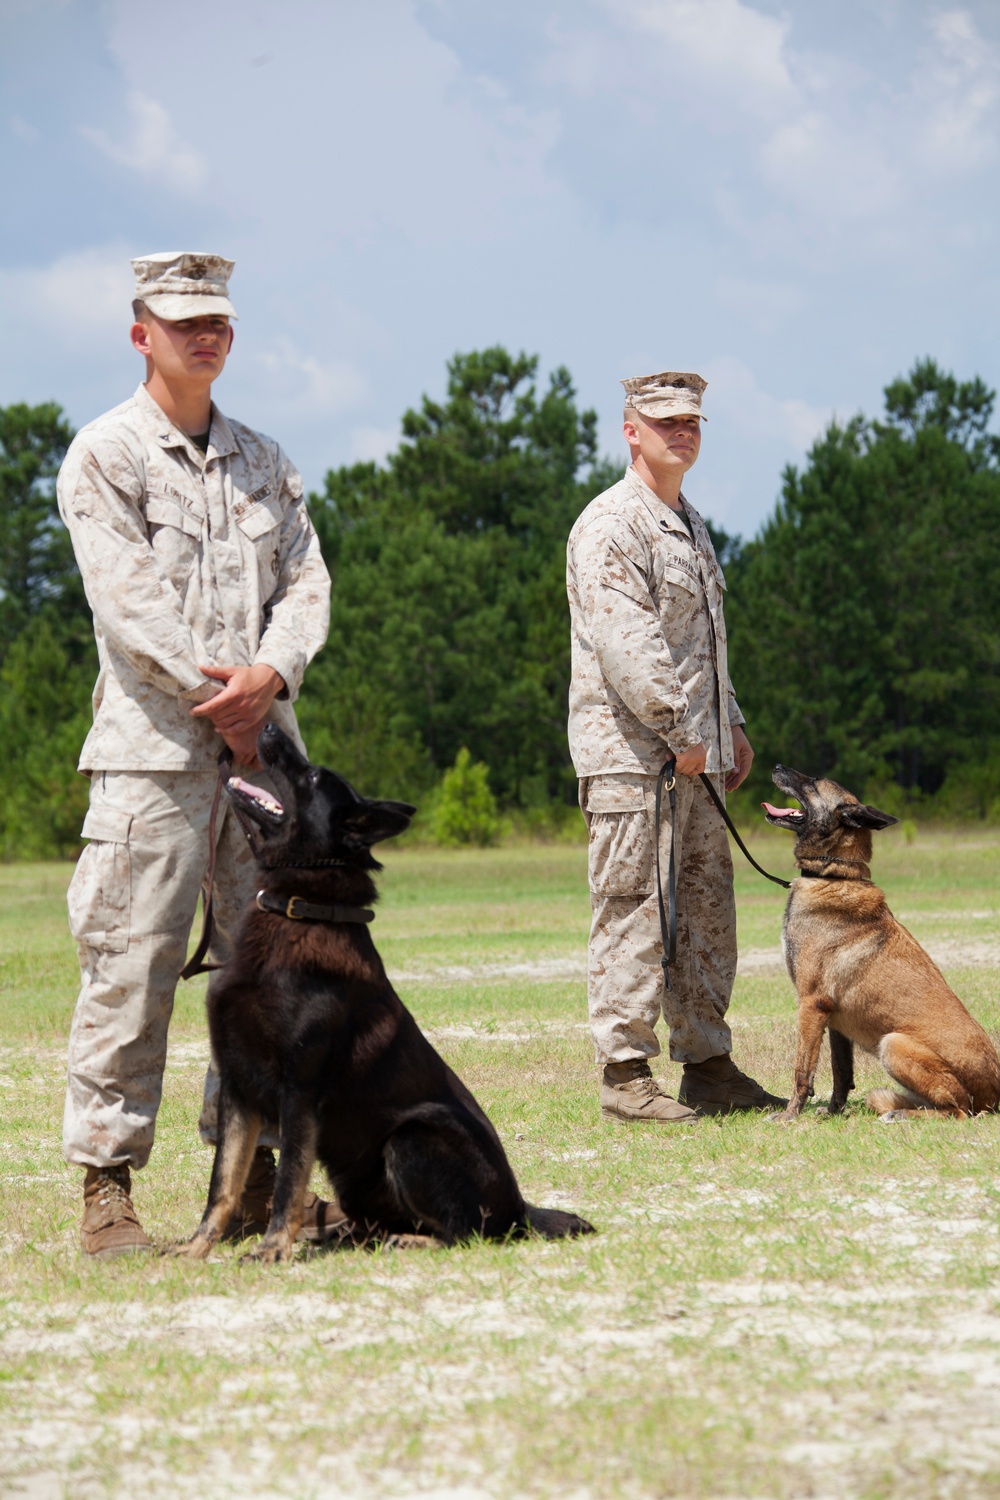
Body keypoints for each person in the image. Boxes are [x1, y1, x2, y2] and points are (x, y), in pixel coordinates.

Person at [58, 251, 335, 1256]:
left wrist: (271, 674)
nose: (203, 333)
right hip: (153, 762)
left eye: (216, 318)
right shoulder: (105, 456)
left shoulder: (264, 460)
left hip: (264, 759)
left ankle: (258, 1170)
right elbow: (128, 601)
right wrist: (221, 700)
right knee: (131, 968)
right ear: (142, 333)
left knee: (270, 978)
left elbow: (308, 580)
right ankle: (107, 1187)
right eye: (183, 321)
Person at [566, 370, 786, 1122]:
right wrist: (683, 729)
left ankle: (708, 1063)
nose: (681, 431)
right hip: (635, 760)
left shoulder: (688, 522)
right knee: (634, 908)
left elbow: (703, 643)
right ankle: (626, 1075)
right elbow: (630, 646)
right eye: (664, 421)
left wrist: (731, 723)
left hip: (693, 756)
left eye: (691, 420)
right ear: (631, 431)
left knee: (703, 910)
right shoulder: (611, 525)